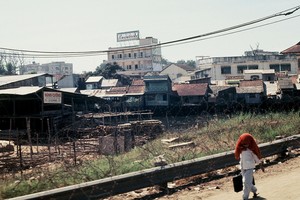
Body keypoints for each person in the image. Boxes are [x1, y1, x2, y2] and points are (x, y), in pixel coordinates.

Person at [234, 133, 265, 200]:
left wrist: (260, 165)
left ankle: (245, 197)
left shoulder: (251, 149)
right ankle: (254, 190)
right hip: (243, 167)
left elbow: (256, 157)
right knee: (247, 182)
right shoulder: (240, 148)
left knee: (245, 182)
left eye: (246, 143)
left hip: (250, 167)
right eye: (244, 144)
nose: (245, 145)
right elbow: (238, 156)